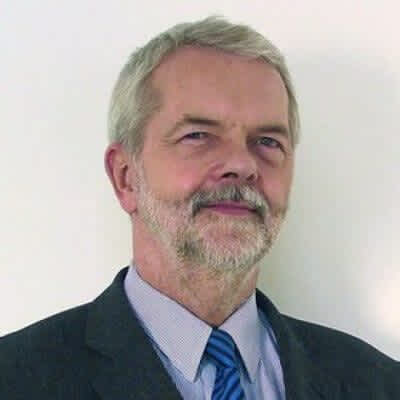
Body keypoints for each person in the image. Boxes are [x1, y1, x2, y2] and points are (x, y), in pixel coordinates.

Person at [1, 15, 398, 400]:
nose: (242, 164)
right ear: (126, 176)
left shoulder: (380, 384)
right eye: (198, 135)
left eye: (268, 141)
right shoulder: (15, 380)